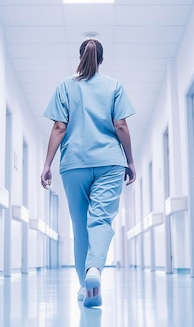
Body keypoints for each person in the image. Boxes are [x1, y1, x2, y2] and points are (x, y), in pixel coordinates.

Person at [40, 38, 136, 308]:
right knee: (101, 220)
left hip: (74, 164)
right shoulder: (114, 86)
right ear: (101, 60)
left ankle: (85, 287)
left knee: (80, 227)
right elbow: (121, 126)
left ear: (80, 56)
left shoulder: (64, 87)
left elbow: (59, 127)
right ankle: (95, 270)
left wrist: (47, 164)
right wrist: (130, 160)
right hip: (109, 162)